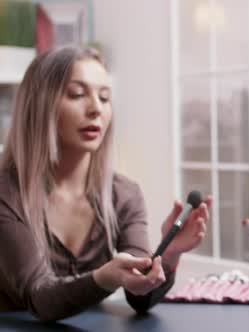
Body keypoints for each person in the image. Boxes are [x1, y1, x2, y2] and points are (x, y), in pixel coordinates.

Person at [0, 46, 211, 321]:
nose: (95, 108)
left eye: (105, 97)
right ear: (40, 106)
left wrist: (167, 256)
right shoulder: (7, 194)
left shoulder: (124, 194)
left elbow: (140, 297)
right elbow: (41, 297)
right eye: (77, 94)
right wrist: (105, 278)